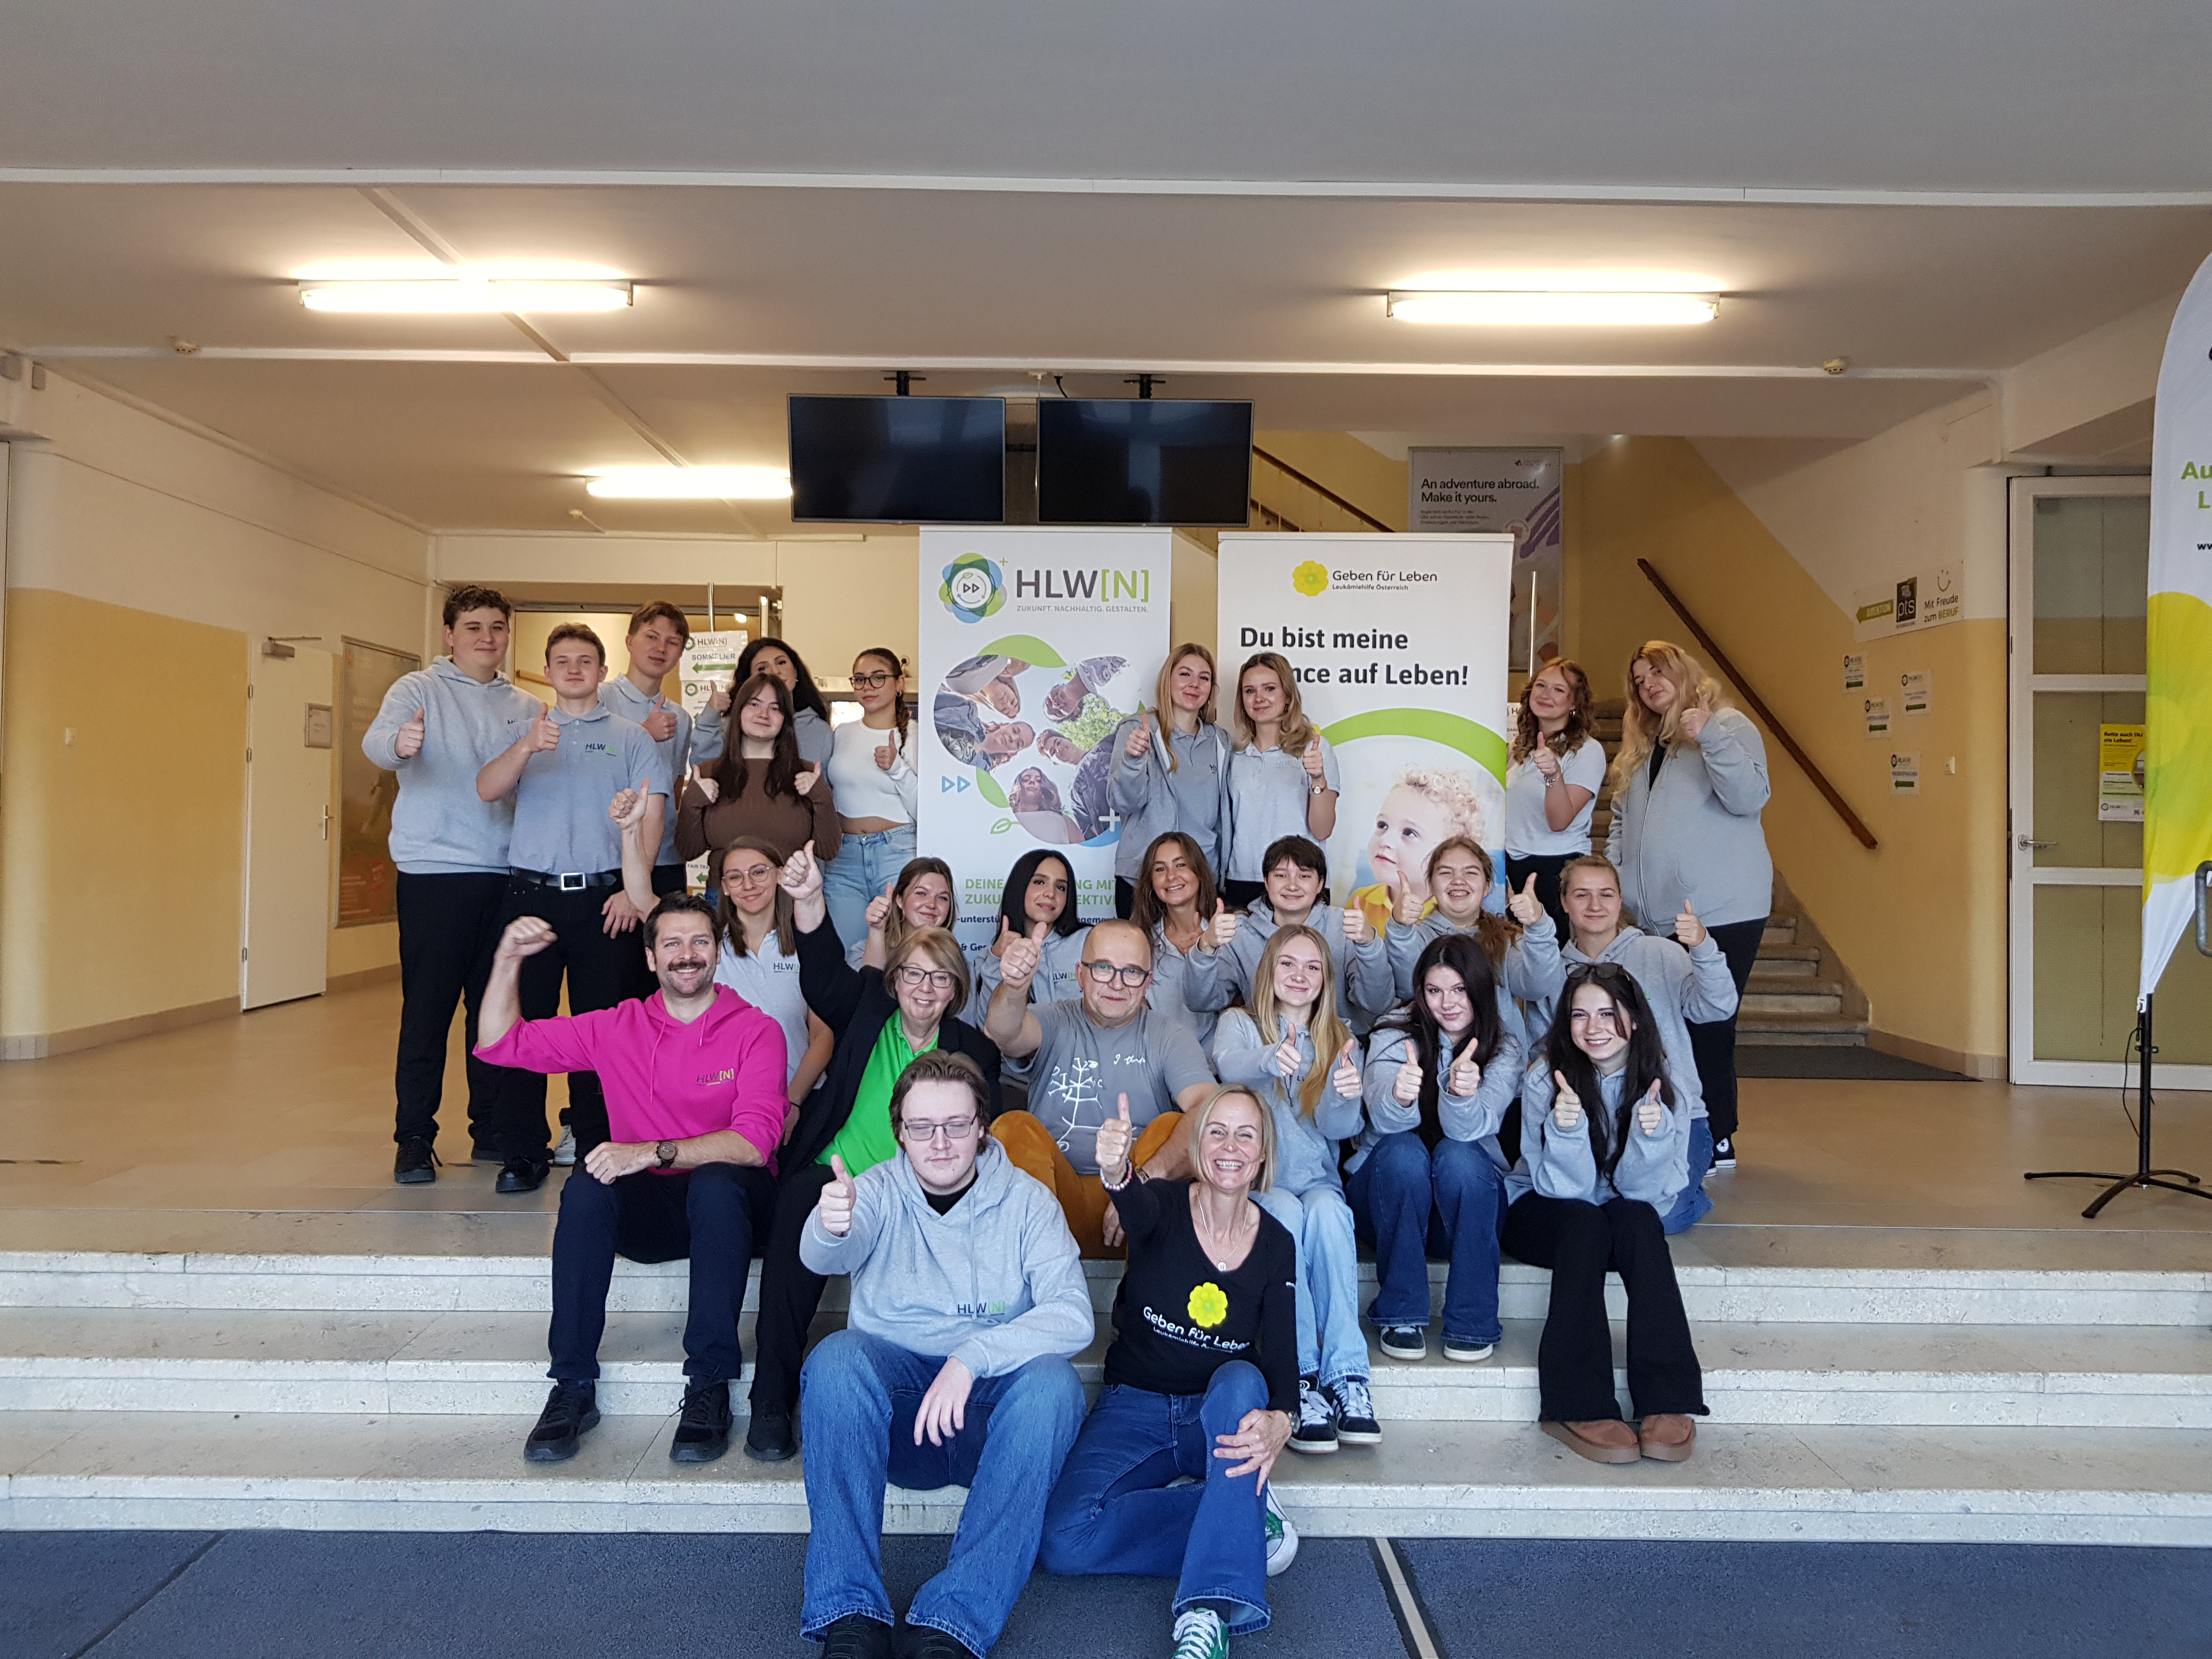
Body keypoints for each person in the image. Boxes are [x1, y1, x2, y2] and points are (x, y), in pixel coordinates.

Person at [475, 889, 783, 1465]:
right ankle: (572, 1385)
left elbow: (754, 1143)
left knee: (716, 1185)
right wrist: (507, 959)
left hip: (734, 1213)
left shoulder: (756, 1030)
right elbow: (500, 1044)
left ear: (718, 953)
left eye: (699, 942)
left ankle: (710, 1384)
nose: (686, 955)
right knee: (587, 1187)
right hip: (655, 1215)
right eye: (672, 944)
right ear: (650, 957)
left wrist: (651, 1152)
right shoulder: (619, 1026)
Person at [798, 1049, 1088, 1659]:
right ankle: (849, 1612)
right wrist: (830, 1225)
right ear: (900, 1132)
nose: (939, 1142)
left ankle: (954, 1621)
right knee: (834, 1361)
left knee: (1054, 1385)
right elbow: (823, 1256)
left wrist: (973, 1357)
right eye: (921, 1127)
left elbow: (1073, 1315)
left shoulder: (1029, 1202)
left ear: (981, 1126)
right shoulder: (874, 1192)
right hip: (902, 1421)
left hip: (991, 1422)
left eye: (956, 1125)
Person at [744, 842, 1002, 1464]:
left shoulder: (974, 1051)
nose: (924, 988)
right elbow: (821, 975)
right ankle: (771, 1399)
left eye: (940, 978)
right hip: (838, 1173)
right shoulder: (866, 1006)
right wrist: (809, 900)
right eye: (913, 974)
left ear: (955, 990)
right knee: (796, 1214)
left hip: (921, 1192)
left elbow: (976, 1139)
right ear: (894, 978)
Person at [1039, 1086, 1301, 1658]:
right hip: (1135, 1404)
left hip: (1218, 1411)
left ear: (1262, 1154)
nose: (1230, 1147)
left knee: (1243, 1379)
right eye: (1217, 1132)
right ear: (1199, 1144)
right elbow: (1133, 1207)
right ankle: (1241, 1515)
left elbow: (1282, 1354)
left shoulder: (1277, 1242)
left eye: (1246, 1135)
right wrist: (1116, 1173)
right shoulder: (1162, 1205)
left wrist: (1284, 1419)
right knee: (1063, 1539)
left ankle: (1207, 1609)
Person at [475, 624, 669, 1191]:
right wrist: (527, 747)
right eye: (563, 661)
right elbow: (487, 789)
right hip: (531, 897)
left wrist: (632, 892)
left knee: (603, 1029)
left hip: (605, 901)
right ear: (548, 671)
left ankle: (595, 1145)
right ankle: (521, 1151)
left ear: (603, 673)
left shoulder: (632, 737)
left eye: (586, 660)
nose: (575, 669)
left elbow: (652, 816)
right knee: (524, 1023)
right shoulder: (525, 731)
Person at [363, 584, 544, 1183]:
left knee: (490, 1010)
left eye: (497, 627)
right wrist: (399, 743)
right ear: (449, 635)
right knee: (428, 1010)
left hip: (506, 873)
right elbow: (377, 743)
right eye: (473, 627)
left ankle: (489, 1129)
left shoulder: (526, 704)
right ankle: (414, 1138)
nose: (487, 638)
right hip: (435, 873)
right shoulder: (417, 690)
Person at [1508, 964, 1707, 1465]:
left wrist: (1651, 1139)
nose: (1593, 1027)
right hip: (1543, 1207)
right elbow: (1564, 1190)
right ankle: (1575, 1403)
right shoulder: (1545, 1078)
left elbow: (1646, 1196)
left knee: (1639, 1222)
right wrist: (1567, 1131)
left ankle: (1668, 1396)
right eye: (1580, 1015)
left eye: (1607, 1013)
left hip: (1620, 1211)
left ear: (1634, 1019)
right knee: (1585, 1222)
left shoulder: (1668, 1085)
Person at [1209, 926, 1375, 1455]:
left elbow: (1336, 1129)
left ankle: (1347, 1374)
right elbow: (1229, 1067)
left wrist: (1345, 1095)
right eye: (1288, 964)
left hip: (1318, 1180)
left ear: (1325, 978)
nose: (1300, 976)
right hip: (1261, 1183)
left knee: (1329, 1214)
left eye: (1312, 967)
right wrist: (1269, 1059)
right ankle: (1301, 1375)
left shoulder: (1340, 1036)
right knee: (1284, 1213)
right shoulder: (1240, 1023)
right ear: (1269, 971)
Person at [1609, 640, 1771, 1169]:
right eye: (1639, 680)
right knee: (1665, 1023)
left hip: (1722, 909)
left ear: (1684, 672)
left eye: (1657, 672)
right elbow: (1620, 824)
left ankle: (1718, 1133)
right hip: (1657, 915)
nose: (1648, 685)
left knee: (1710, 1021)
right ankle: (1679, 1125)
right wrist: (1617, 880)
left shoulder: (1729, 726)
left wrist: (1710, 735)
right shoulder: (1644, 746)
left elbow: (1749, 798)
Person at [985, 918, 1217, 1258]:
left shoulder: (1169, 1035)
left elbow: (1210, 1109)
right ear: (1080, 975)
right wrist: (1015, 987)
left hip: (1138, 1212)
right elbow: (1003, 1033)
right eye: (1103, 968)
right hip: (1054, 1203)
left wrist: (1138, 1183)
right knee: (1013, 1127)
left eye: (1132, 972)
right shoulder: (1056, 1019)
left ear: (1148, 983)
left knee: (1173, 1126)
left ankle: (1146, 1287)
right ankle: (1037, 1270)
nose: (1117, 983)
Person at [1351, 934, 1522, 1370]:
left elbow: (1473, 1129)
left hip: (1460, 1212)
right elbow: (1382, 1120)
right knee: (1403, 1151)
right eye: (1434, 990)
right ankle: (1401, 1314)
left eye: (1459, 989)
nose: (1447, 1004)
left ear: (1479, 988)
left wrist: (1461, 1095)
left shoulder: (1502, 1047)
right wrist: (1400, 1096)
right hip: (1386, 1203)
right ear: (1420, 992)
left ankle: (1472, 1323)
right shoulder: (1393, 1032)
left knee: (1461, 1156)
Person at [1538, 853, 1734, 1233]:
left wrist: (1703, 948)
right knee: (1593, 1211)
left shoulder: (1660, 953)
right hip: (1597, 1118)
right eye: (1582, 895)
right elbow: (1543, 1049)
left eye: (1606, 894)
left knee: (1659, 1218)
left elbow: (1717, 1006)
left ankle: (1693, 1195)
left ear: (1620, 899)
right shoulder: (1552, 971)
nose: (1595, 905)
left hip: (1678, 1117)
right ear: (1564, 902)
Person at [1182, 835, 1393, 1030]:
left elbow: (1377, 1004)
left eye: (1304, 876)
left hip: (1340, 1047)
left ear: (1320, 884)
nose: (1292, 886)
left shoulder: (1345, 926)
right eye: (1281, 875)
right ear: (1266, 882)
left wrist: (1369, 945)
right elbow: (1201, 1002)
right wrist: (1206, 947)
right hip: (1267, 1049)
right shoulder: (1241, 932)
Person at [600, 601, 723, 928]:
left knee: (666, 954)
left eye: (672, 642)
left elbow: (674, 789)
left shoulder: (680, 718)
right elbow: (587, 768)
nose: (661, 648)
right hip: (608, 858)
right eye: (652, 637)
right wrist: (643, 734)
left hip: (665, 860)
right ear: (630, 641)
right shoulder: (600, 698)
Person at [1384, 837, 1565, 1048]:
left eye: (1470, 873)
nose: (1458, 881)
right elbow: (1407, 988)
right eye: (1446, 873)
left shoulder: (1506, 939)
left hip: (1500, 1059)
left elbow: (1537, 987)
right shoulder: (1415, 938)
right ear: (1431, 885)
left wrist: (1538, 926)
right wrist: (1400, 929)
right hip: (1428, 1057)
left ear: (1487, 886)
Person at [708, 836, 835, 1109]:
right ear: (725, 888)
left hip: (802, 1098)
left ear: (779, 875)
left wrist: (793, 1100)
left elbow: (823, 1035)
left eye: (758, 872)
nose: (748, 885)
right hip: (730, 1103)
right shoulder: (710, 948)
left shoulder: (805, 944)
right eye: (735, 877)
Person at [1108, 644, 1234, 918]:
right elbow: (1123, 802)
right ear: (1168, 680)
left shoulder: (1220, 741)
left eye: (1204, 678)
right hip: (1142, 880)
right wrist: (1133, 760)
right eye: (1185, 674)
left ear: (1211, 689)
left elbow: (1222, 819)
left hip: (1201, 882)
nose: (1194, 684)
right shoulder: (1138, 729)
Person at [676, 672, 841, 864]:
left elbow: (828, 851)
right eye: (754, 704)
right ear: (739, 711)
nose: (764, 714)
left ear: (785, 719)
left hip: (791, 883)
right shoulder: (708, 773)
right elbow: (688, 851)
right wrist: (691, 802)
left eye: (775, 708)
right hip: (723, 884)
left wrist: (822, 797)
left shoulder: (806, 773)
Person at [968, 849, 1090, 1107]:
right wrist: (998, 960)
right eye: (1040, 882)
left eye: (1061, 887)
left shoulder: (1088, 941)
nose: (1051, 893)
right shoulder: (987, 958)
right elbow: (989, 1035)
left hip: (1083, 1078)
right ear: (1020, 886)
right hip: (1017, 1087)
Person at [823, 647, 921, 961]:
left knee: (899, 956)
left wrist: (897, 768)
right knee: (847, 957)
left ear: (899, 683)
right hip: (844, 858)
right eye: (860, 679)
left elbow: (926, 811)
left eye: (879, 678)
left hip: (897, 854)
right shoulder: (842, 733)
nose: (868, 686)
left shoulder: (917, 737)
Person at [1221, 652, 1338, 910]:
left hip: (1300, 880)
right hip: (1244, 877)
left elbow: (1322, 830)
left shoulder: (1314, 748)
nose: (1259, 698)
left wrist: (1318, 779)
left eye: (1270, 689)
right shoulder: (1233, 753)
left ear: (1288, 695)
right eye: (1250, 691)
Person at [1503, 659, 1605, 936]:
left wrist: (1553, 775)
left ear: (1575, 702)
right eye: (1541, 686)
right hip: (1513, 866)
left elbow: (1560, 821)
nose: (1546, 695)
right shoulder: (1517, 749)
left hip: (1555, 869)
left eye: (1559, 690)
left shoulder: (1587, 751)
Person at [1348, 764, 1491, 936]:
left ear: (1450, 852)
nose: (1385, 841)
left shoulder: (1452, 913)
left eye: (1409, 832)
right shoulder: (1362, 901)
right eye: (1382, 825)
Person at [1129, 831, 1227, 1050]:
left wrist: (1205, 950)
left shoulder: (1226, 931)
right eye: (1160, 869)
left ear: (1199, 871)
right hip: (1160, 1057)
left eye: (1181, 865)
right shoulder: (1142, 940)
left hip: (1217, 1062)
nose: (1171, 876)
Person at [735, 635, 834, 766]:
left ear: (795, 671)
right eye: (762, 668)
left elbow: (825, 777)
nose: (775, 672)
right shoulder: (735, 725)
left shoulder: (819, 730)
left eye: (781, 663)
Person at [859, 856, 958, 971]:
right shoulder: (862, 951)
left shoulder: (956, 960)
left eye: (942, 898)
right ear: (900, 899)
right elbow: (870, 980)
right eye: (921, 893)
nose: (932, 904)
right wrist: (877, 930)